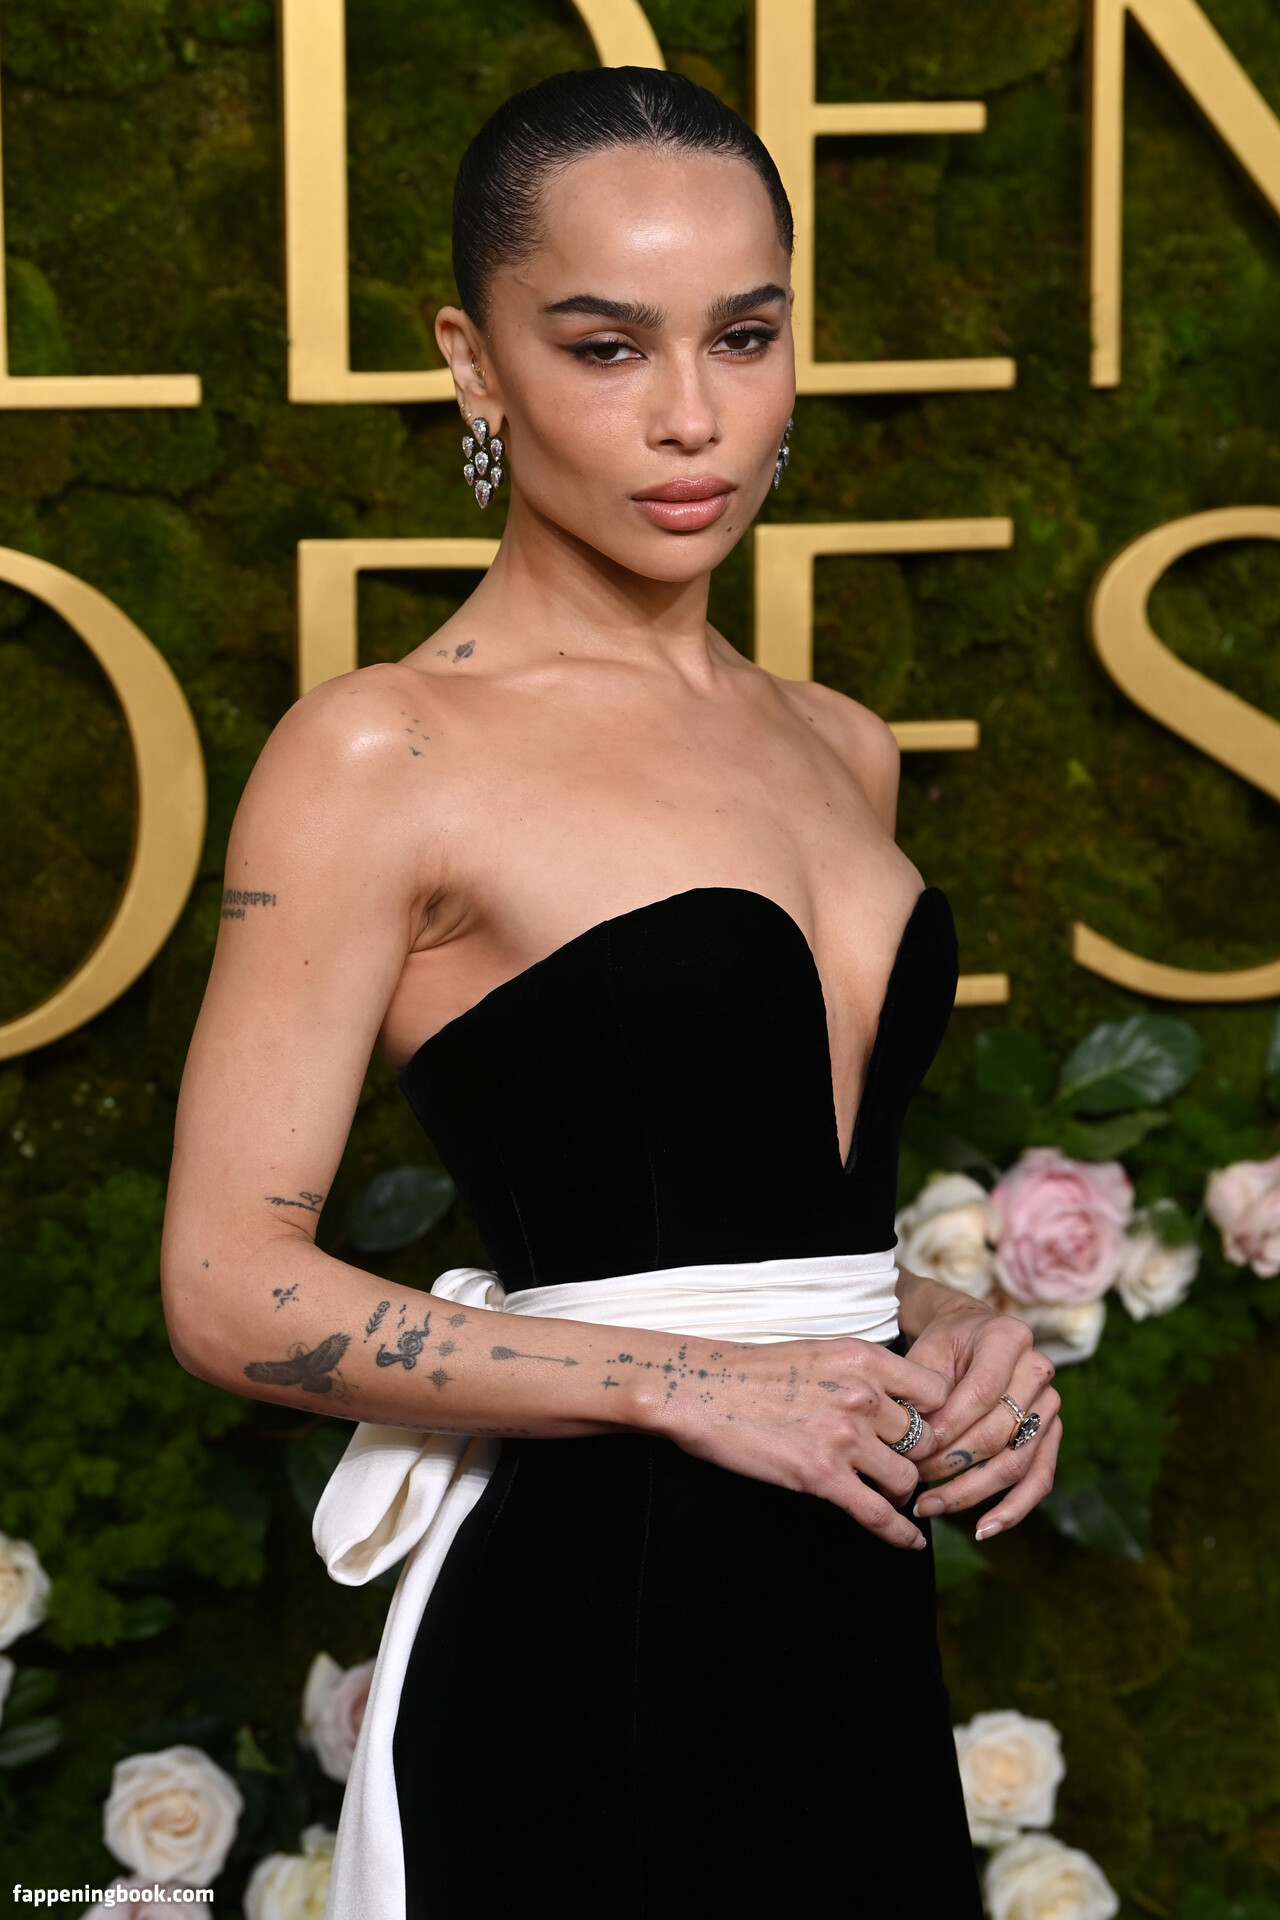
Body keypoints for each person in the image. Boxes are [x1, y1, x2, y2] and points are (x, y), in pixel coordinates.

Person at [162, 66, 1061, 1919]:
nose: (691, 418)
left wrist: (938, 1316)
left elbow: (733, 1202)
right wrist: (692, 1386)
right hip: (595, 1632)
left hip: (855, 1619)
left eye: (744, 336)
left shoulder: (841, 746)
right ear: (474, 364)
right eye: (604, 347)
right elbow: (226, 1284)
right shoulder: (382, 751)